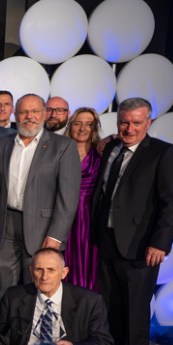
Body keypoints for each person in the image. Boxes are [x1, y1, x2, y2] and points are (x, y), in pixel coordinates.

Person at [93, 97, 173, 345]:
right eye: (124, 121)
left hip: (142, 246)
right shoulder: (110, 147)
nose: (129, 128)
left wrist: (160, 243)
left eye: (136, 122)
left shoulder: (165, 153)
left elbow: (172, 204)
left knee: (135, 309)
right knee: (110, 307)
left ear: (148, 122)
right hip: (107, 241)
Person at [0, 94, 80, 297]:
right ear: (15, 114)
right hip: (7, 225)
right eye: (23, 112)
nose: (29, 116)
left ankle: (36, 329)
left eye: (35, 111)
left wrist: (56, 236)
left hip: (43, 229)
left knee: (39, 287)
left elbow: (68, 198)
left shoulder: (63, 146)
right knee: (3, 287)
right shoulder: (1, 145)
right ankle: (5, 329)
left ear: (44, 114)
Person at [62, 107, 101, 289]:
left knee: (88, 265)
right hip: (62, 218)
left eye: (89, 124)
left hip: (89, 220)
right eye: (77, 123)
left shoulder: (103, 154)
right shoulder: (58, 152)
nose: (83, 128)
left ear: (94, 128)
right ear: (71, 126)